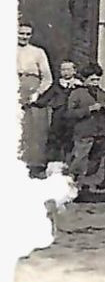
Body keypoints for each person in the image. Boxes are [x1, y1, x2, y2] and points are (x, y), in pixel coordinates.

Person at [64, 62, 105, 185]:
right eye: (92, 80)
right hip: (84, 132)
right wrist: (89, 109)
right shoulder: (77, 93)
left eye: (97, 80)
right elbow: (69, 113)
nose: (95, 83)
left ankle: (85, 183)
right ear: (85, 80)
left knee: (95, 161)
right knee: (79, 159)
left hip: (100, 133)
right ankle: (73, 185)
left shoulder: (102, 93)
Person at [17, 22, 54, 174]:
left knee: (33, 129)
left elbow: (48, 78)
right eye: (21, 33)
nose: (24, 36)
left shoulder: (38, 52)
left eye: (27, 34)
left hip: (32, 91)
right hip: (12, 89)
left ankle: (33, 166)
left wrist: (37, 93)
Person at [30, 58, 76, 171]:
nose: (66, 72)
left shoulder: (79, 86)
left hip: (74, 120)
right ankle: (52, 168)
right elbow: (45, 99)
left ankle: (71, 169)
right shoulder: (56, 86)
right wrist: (33, 103)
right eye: (63, 69)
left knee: (71, 143)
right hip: (58, 118)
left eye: (68, 69)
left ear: (74, 71)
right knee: (54, 141)